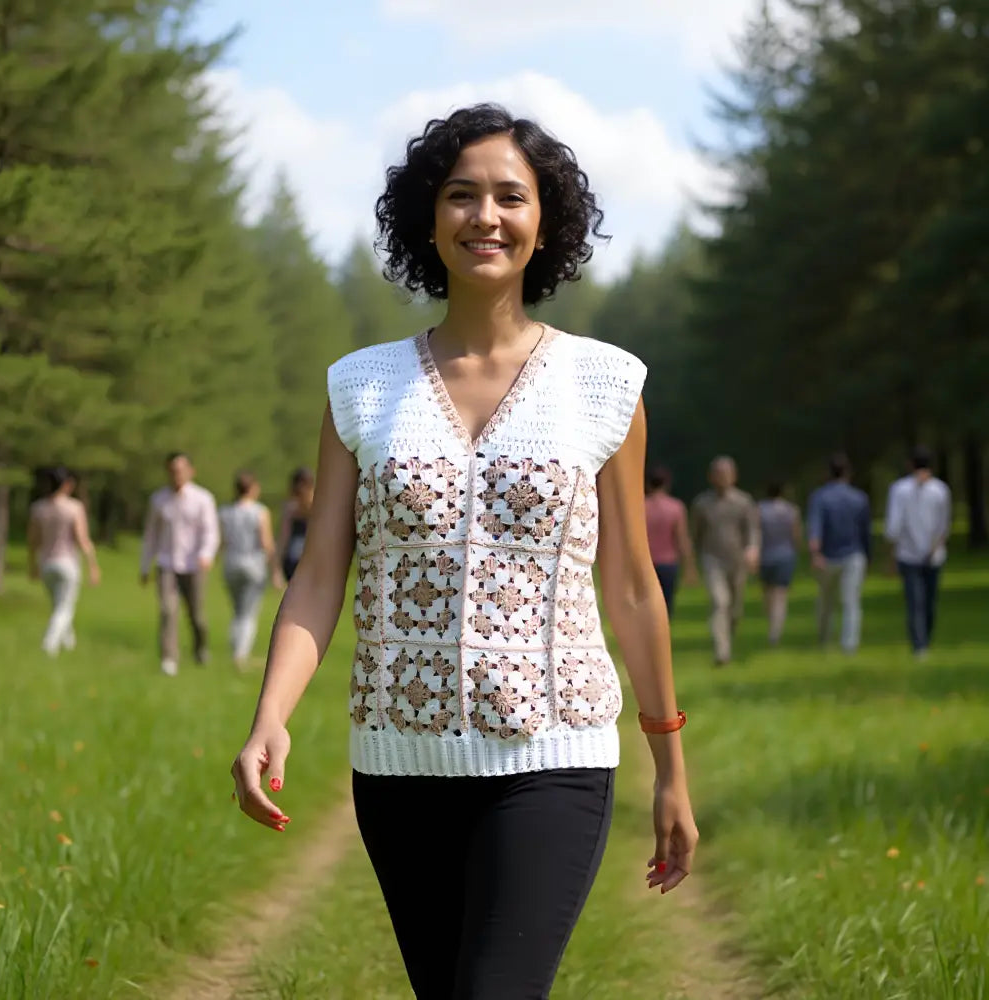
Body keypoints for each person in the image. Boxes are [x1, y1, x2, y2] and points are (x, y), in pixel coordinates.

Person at [230, 103, 698, 999]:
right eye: (461, 195)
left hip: (553, 758)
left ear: (544, 222)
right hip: (397, 764)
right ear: (427, 220)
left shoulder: (605, 383)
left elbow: (634, 589)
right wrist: (271, 715)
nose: (486, 215)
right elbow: (321, 575)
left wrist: (669, 770)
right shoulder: (361, 387)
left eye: (510, 197)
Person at [140, 452, 219, 676]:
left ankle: (200, 648)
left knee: (197, 615)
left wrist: (206, 554)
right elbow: (150, 535)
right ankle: (169, 658)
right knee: (167, 610)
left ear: (191, 471)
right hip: (167, 563)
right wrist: (145, 565)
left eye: (181, 470)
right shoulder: (158, 500)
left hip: (194, 565)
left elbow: (210, 532)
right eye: (173, 471)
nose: (177, 475)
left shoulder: (203, 499)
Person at [691, 456, 760, 665]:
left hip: (737, 560)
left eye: (727, 474)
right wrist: (692, 563)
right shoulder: (702, 504)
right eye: (718, 474)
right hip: (712, 559)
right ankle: (722, 652)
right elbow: (695, 535)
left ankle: (728, 634)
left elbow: (752, 530)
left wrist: (752, 550)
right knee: (720, 602)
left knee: (734, 608)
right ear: (711, 477)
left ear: (734, 476)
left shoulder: (743, 502)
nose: (723, 478)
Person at [885, 446, 952, 659]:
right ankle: (923, 642)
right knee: (927, 600)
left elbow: (893, 526)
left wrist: (890, 553)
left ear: (910, 464)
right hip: (932, 554)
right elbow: (944, 524)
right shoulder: (940, 490)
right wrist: (936, 545)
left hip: (909, 553)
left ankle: (920, 644)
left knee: (917, 601)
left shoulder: (899, 489)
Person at [27, 466, 101, 656]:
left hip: (46, 564)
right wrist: (93, 565)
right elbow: (82, 540)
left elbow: (33, 541)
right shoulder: (74, 508)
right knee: (64, 609)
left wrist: (32, 564)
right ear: (67, 485)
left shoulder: (39, 508)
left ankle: (69, 644)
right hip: (67, 563)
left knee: (58, 606)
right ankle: (49, 644)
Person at [805, 453, 871, 654]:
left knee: (826, 601)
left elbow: (815, 528)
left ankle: (824, 638)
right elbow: (865, 531)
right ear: (848, 473)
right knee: (851, 601)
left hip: (827, 557)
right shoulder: (860, 498)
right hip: (854, 555)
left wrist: (815, 553)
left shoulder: (819, 497)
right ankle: (849, 645)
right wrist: (869, 555)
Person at [219, 472, 283, 669]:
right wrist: (275, 570)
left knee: (237, 610)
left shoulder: (225, 512)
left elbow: (222, 542)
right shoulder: (259, 512)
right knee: (248, 613)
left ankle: (235, 648)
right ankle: (240, 653)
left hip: (231, 563)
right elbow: (266, 542)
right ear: (253, 488)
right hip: (253, 566)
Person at [643, 466, 696, 618]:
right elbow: (682, 538)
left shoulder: (641, 506)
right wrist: (689, 567)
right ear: (667, 484)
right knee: (665, 606)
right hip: (668, 563)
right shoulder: (676, 507)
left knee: (646, 605)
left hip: (646, 562)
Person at [757, 482, 802, 646]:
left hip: (765, 556)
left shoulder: (760, 509)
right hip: (785, 556)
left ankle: (772, 624)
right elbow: (796, 535)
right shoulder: (791, 510)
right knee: (780, 595)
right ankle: (775, 631)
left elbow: (756, 533)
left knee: (768, 594)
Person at [277, 467, 314, 582]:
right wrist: (277, 567)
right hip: (293, 560)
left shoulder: (318, 507)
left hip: (314, 559)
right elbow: (283, 537)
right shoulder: (290, 509)